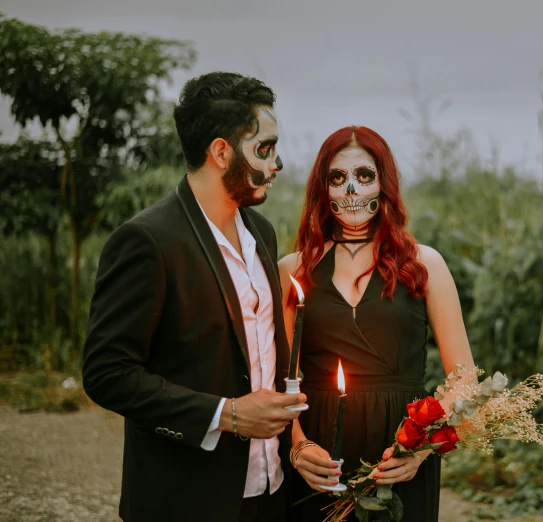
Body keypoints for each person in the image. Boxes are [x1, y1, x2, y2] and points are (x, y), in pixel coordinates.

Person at [82, 72, 306, 522]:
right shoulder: (147, 240)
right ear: (221, 152)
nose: (277, 164)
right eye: (264, 148)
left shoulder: (261, 232)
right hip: (187, 499)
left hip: (272, 490)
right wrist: (227, 415)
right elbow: (107, 373)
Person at [278, 126, 476, 521]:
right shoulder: (293, 270)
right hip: (318, 457)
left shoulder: (425, 264)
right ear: (323, 188)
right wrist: (297, 447)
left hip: (400, 456)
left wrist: (420, 448)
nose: (351, 189)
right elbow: (275, 381)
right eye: (338, 178)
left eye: (364, 176)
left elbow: (464, 376)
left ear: (384, 183)